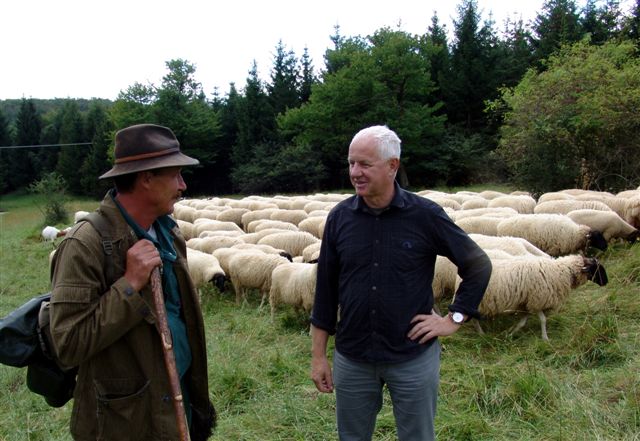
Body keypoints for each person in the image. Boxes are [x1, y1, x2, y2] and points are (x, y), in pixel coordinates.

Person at [310, 125, 492, 441]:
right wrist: (318, 355)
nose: (355, 172)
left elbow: (478, 265)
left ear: (393, 166)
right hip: (353, 359)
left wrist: (454, 318)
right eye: (352, 163)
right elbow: (325, 291)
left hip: (412, 357)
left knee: (418, 437)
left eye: (365, 164)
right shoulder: (340, 218)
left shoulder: (425, 216)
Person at [49, 124, 216, 441]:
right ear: (147, 177)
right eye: (176, 174)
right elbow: (67, 344)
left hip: (180, 401)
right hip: (126, 421)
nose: (183, 185)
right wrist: (129, 285)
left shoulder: (169, 232)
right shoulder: (86, 244)